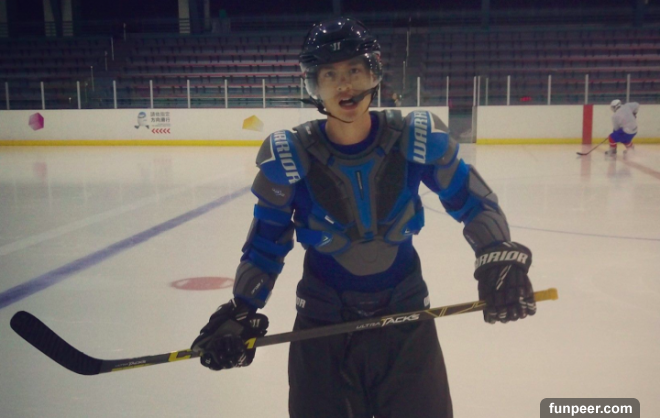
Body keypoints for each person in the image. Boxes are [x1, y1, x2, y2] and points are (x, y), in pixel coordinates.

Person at [191, 17, 537, 418]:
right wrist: (242, 308)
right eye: (330, 75)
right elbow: (266, 243)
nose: (344, 85)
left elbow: (474, 202)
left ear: (373, 73)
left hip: (407, 321)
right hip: (323, 328)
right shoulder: (290, 156)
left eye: (355, 70)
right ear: (313, 84)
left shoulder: (414, 138)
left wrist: (497, 254)